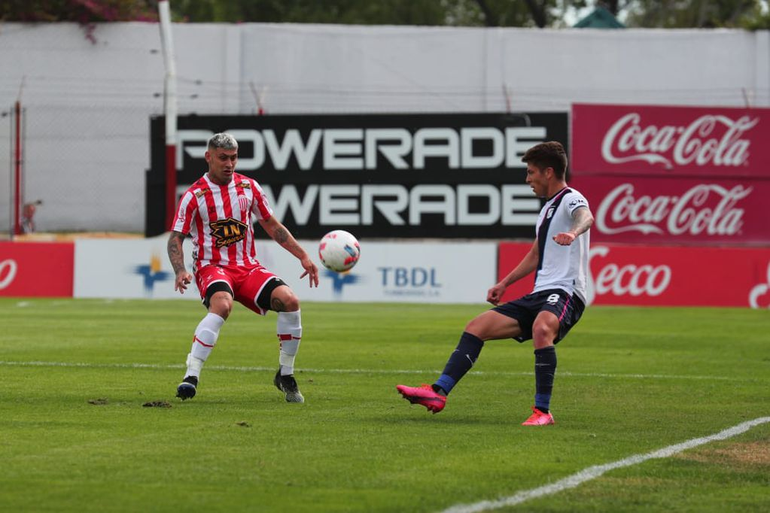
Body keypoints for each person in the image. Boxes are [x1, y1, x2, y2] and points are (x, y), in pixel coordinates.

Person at [396, 141, 593, 425]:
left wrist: (573, 233)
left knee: (542, 328)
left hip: (566, 291)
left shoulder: (571, 198)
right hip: (541, 293)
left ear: (548, 172)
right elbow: (536, 253)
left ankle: (542, 412)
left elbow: (585, 217)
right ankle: (438, 392)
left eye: (531, 172)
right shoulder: (547, 209)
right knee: (477, 327)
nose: (528, 179)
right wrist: (505, 283)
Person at [168, 132, 319, 403]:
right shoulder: (194, 195)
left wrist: (303, 256)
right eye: (223, 158)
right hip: (212, 267)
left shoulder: (249, 188)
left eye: (233, 158)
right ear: (208, 157)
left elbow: (272, 225)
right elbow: (176, 237)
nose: (229, 163)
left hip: (247, 268)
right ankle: (192, 375)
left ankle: (285, 374)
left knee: (290, 300)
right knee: (223, 305)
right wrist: (180, 270)